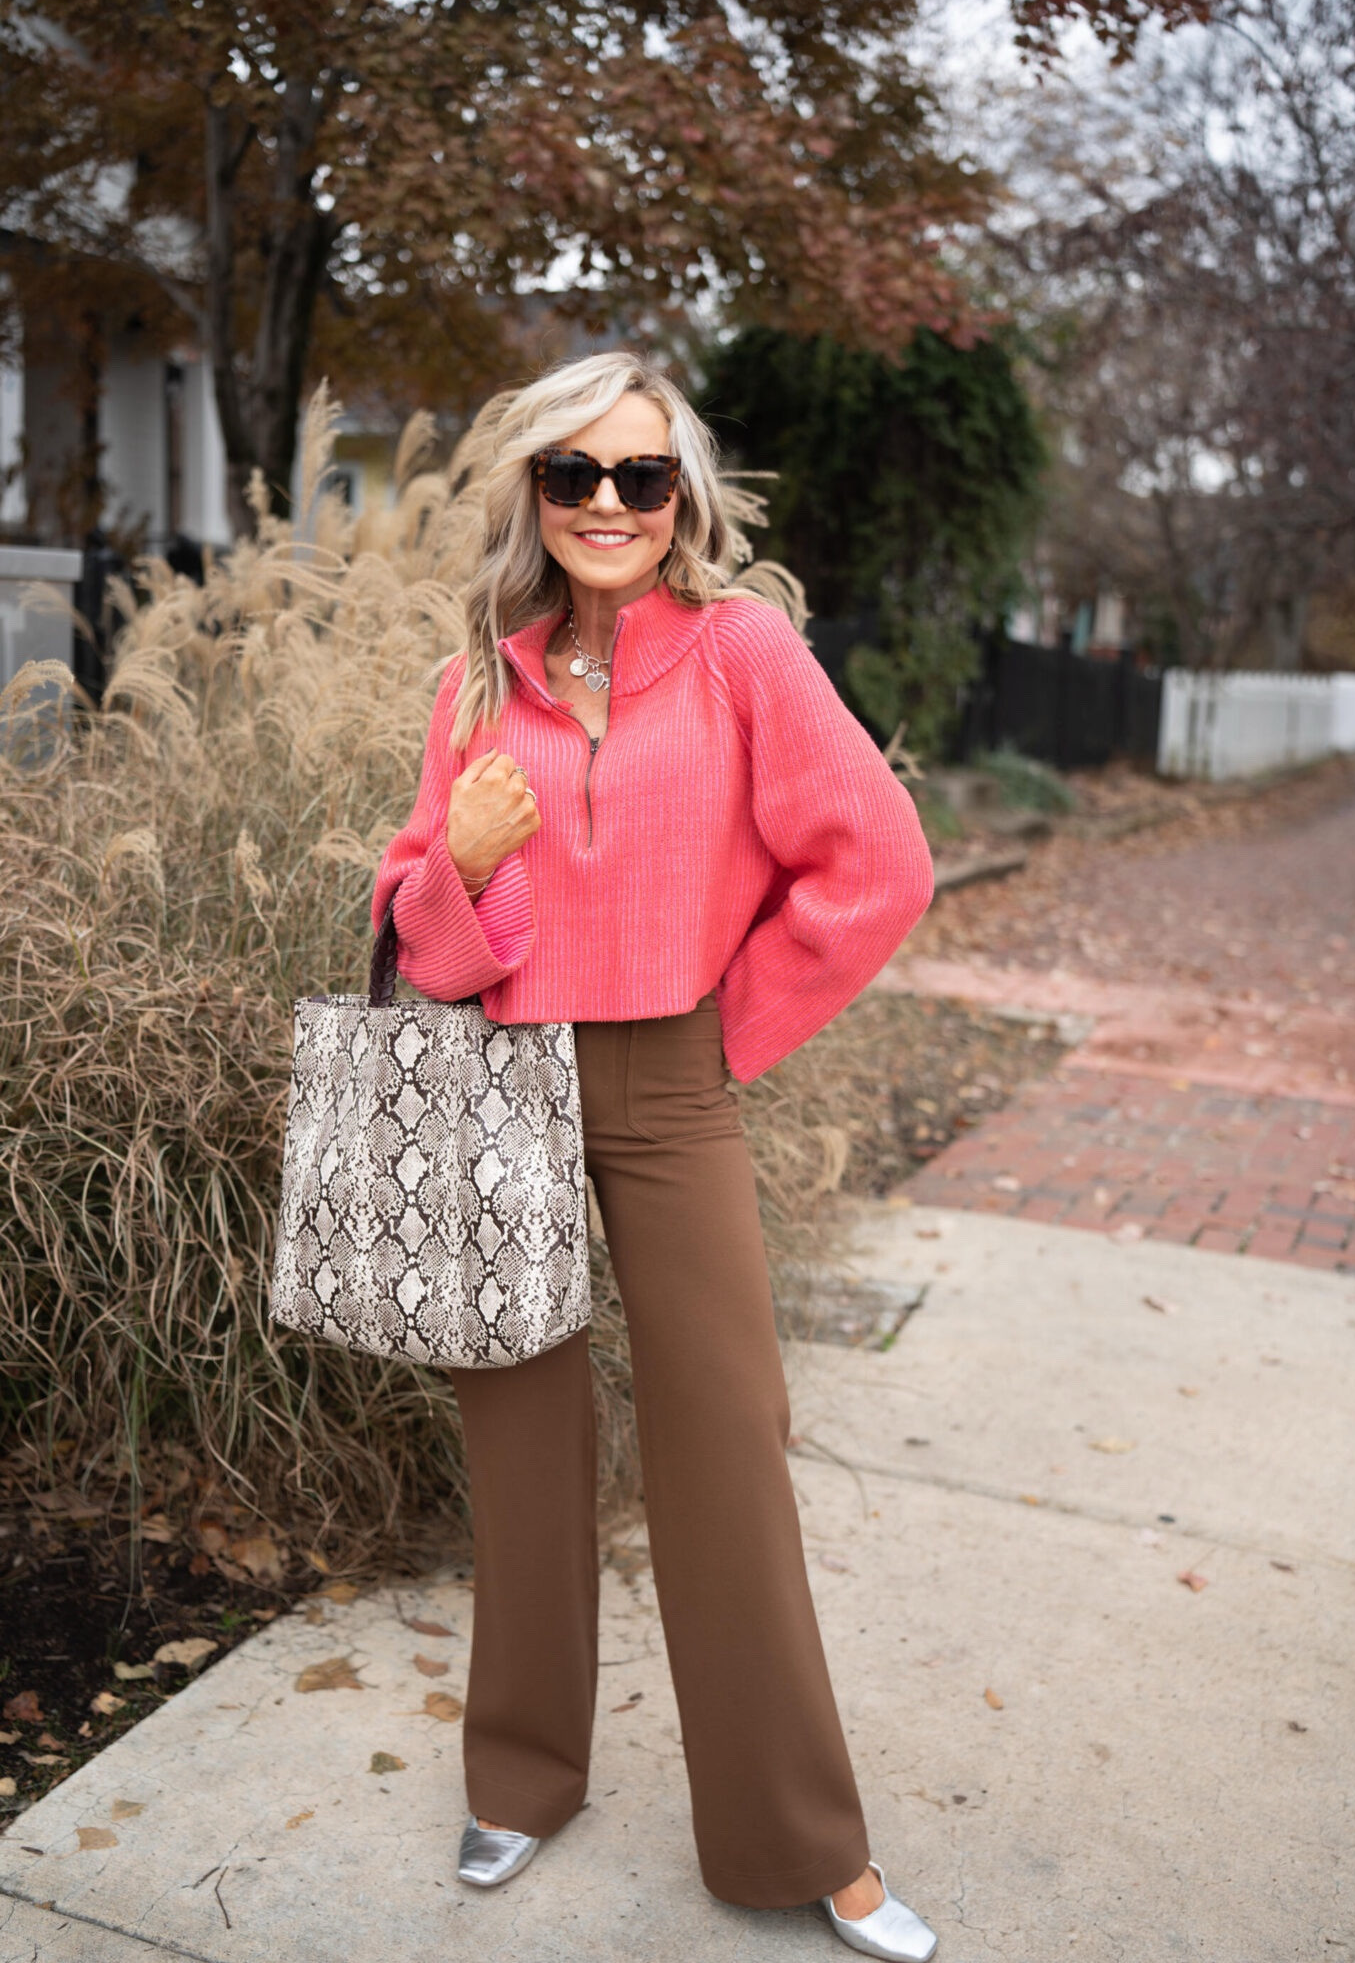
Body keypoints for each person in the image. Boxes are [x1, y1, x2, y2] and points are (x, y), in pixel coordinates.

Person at [371, 351, 937, 1959]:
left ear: (681, 497)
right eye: (574, 476)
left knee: (726, 1445)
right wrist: (460, 870)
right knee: (523, 1450)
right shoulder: (482, 676)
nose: (608, 505)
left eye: (641, 477)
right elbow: (416, 926)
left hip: (671, 1080)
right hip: (501, 1083)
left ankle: (799, 1842)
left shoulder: (745, 652)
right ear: (532, 496)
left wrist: (721, 1029)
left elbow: (875, 862)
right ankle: (524, 1778)